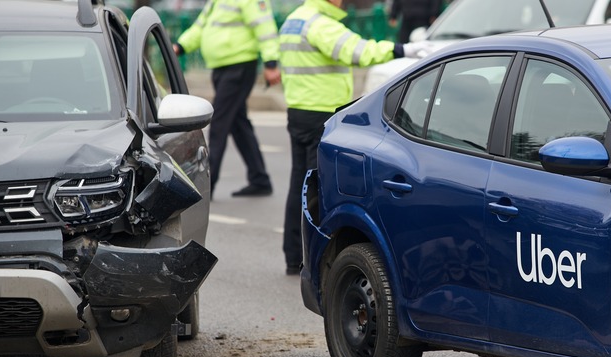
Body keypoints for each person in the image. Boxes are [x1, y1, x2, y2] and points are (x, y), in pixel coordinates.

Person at [279, 0, 431, 275]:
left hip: (298, 109)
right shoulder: (321, 25)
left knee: (299, 184)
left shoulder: (295, 19)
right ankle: (314, 259)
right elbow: (358, 52)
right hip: (321, 112)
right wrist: (401, 49)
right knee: (320, 188)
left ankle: (293, 255)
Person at [174, 0, 281, 198]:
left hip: (239, 67)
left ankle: (207, 186)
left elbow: (265, 28)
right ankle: (260, 179)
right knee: (238, 124)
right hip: (222, 68)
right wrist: (180, 46)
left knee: (220, 123)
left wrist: (271, 62)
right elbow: (200, 28)